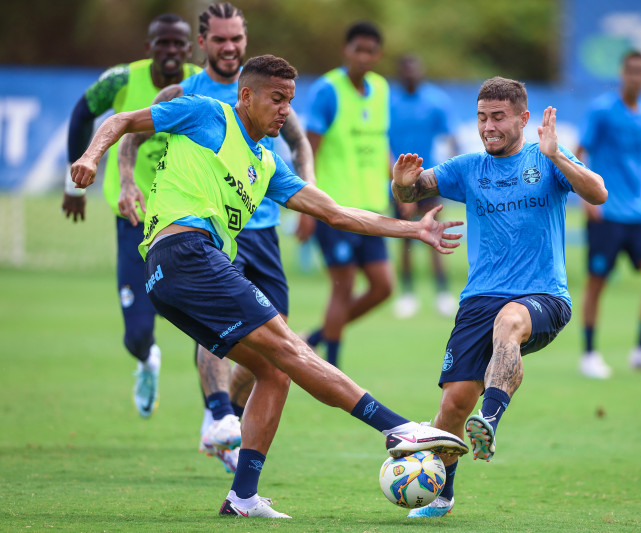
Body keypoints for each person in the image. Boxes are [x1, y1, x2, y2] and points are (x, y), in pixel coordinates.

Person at [71, 54, 469, 519]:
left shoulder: (266, 163)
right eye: (276, 99)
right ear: (246, 96)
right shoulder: (206, 113)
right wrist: (88, 157)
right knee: (289, 346)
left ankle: (242, 497)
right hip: (186, 253)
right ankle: (401, 429)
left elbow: (337, 213)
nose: (285, 109)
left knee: (275, 371)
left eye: (290, 101)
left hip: (171, 276)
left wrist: (414, 230)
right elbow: (121, 119)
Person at [391, 77, 607, 517]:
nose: (488, 127)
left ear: (523, 119)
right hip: (478, 299)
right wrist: (401, 183)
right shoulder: (468, 167)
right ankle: (443, 494)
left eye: (498, 118)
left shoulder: (546, 161)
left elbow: (598, 192)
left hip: (542, 295)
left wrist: (557, 156)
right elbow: (412, 192)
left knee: (509, 320)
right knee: (451, 406)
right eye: (481, 118)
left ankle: (489, 419)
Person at [117, 2, 315, 475]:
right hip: (208, 228)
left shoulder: (271, 90)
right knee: (223, 317)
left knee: (275, 338)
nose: (230, 47)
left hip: (263, 226)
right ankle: (218, 414)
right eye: (221, 40)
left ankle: (233, 422)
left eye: (237, 39)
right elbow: (131, 133)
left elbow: (301, 142)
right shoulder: (187, 93)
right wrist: (127, 180)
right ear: (202, 44)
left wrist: (309, 188)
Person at [61, 13, 199, 418]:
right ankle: (146, 360)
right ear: (148, 48)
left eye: (179, 44)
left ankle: (218, 409)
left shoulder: (198, 85)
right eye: (163, 44)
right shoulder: (121, 80)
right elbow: (80, 114)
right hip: (133, 217)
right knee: (137, 333)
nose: (171, 52)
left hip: (185, 220)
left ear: (189, 49)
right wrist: (74, 185)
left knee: (212, 321)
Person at [574, 50, 641, 380]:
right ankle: (589, 354)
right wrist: (586, 199)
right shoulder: (602, 110)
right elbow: (580, 152)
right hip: (607, 213)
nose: (637, 77)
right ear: (622, 73)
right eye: (631, 70)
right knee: (597, 283)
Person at [298, 21, 392, 368]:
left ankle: (318, 338)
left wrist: (397, 186)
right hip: (334, 208)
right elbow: (309, 150)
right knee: (344, 285)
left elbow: (380, 142)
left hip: (372, 207)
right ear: (346, 51)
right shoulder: (328, 90)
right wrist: (307, 209)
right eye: (358, 49)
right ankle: (332, 367)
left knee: (383, 287)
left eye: (371, 51)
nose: (364, 57)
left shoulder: (381, 89)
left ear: (378, 55)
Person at [389, 54, 459, 319]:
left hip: (430, 178)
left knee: (434, 232)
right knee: (405, 235)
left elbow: (451, 138)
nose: (410, 74)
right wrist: (396, 182)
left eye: (414, 69)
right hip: (398, 181)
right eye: (406, 70)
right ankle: (407, 293)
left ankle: (442, 292)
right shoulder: (389, 102)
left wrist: (449, 174)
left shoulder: (436, 100)